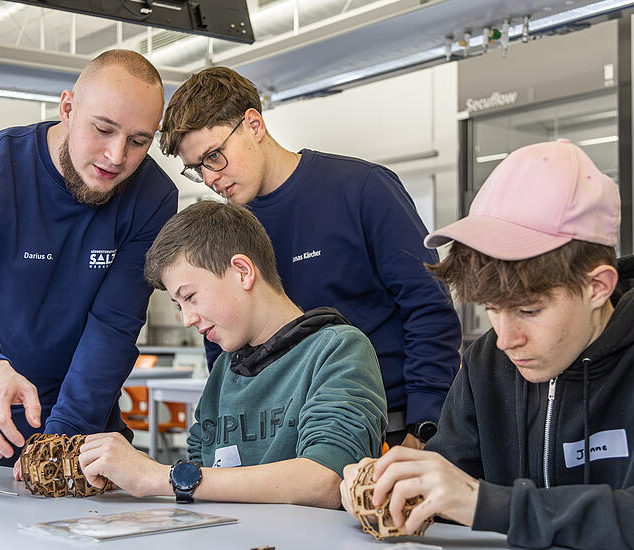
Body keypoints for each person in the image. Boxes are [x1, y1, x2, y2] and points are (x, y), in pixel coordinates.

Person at [340, 140, 634, 550]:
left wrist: (488, 503)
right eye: (492, 310)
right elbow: (452, 486)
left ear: (598, 286)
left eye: (530, 310)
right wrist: (396, 492)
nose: (505, 337)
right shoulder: (487, 364)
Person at [158, 67, 460, 448]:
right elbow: (222, 347)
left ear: (253, 125)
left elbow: (429, 308)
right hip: (279, 440)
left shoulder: (362, 189)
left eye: (214, 156)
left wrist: (424, 425)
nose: (210, 178)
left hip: (388, 431)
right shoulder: (227, 228)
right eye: (197, 168)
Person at [0, 50, 178, 472]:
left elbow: (113, 325)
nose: (116, 156)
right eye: (103, 129)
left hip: (87, 431)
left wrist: (58, 442)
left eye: (138, 141)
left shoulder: (152, 197)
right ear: (68, 108)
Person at [78, 200, 386, 508]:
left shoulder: (337, 350)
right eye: (178, 305)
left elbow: (328, 480)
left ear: (242, 272)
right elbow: (204, 479)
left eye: (190, 297)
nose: (187, 319)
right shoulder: (225, 369)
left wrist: (158, 477)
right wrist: (133, 471)